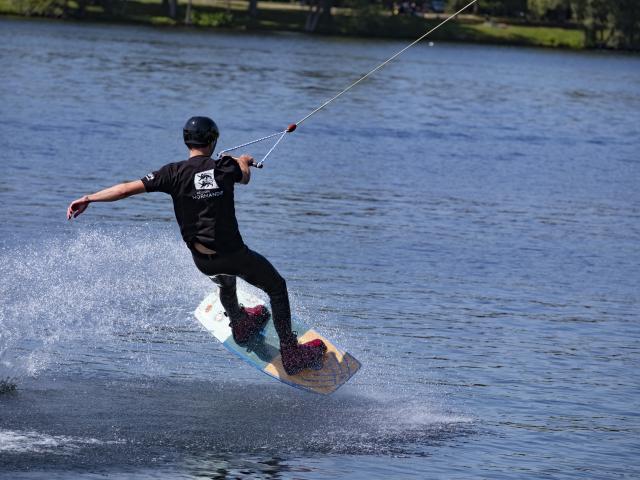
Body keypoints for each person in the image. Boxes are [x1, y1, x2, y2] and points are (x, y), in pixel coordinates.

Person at [66, 116, 326, 376]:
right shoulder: (224, 167)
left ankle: (240, 323)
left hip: (202, 260)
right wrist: (243, 161)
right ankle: (291, 353)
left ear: (185, 141)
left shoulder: (172, 172)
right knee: (277, 287)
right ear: (213, 141)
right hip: (234, 255)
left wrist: (90, 198)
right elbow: (245, 177)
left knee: (225, 281)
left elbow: (124, 189)